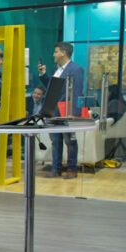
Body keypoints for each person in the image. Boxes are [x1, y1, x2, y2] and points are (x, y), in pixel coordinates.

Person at [45, 41, 86, 179]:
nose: (53, 54)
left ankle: (72, 168)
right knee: (55, 140)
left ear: (63, 52)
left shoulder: (76, 69)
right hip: (53, 109)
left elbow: (77, 91)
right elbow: (51, 88)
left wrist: (75, 112)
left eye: (56, 52)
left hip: (66, 110)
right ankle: (56, 168)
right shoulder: (55, 69)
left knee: (70, 140)